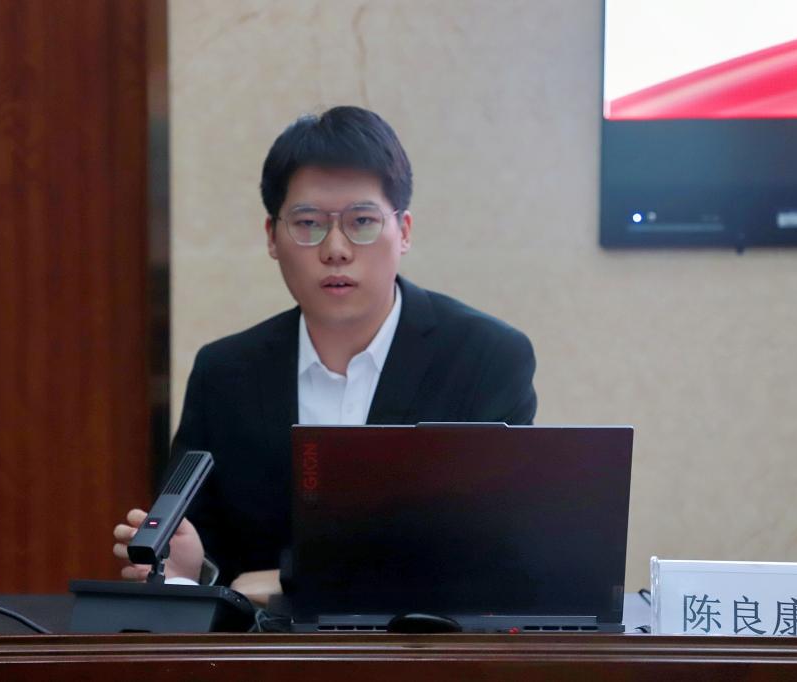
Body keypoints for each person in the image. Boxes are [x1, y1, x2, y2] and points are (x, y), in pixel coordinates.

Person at [113, 106, 537, 604]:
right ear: (272, 237)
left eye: (362, 221)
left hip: (425, 649)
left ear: (403, 231)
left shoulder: (485, 359)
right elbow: (209, 560)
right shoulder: (225, 374)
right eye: (309, 223)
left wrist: (289, 580)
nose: (336, 249)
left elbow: (483, 550)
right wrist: (190, 570)